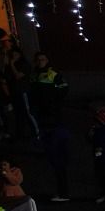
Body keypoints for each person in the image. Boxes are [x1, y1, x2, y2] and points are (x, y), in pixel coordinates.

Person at [31, 52, 71, 202]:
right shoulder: (35, 75)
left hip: (53, 116)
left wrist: (53, 102)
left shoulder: (53, 74)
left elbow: (64, 89)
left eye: (43, 59)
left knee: (58, 155)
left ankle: (63, 192)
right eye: (38, 60)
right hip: (43, 116)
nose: (40, 62)